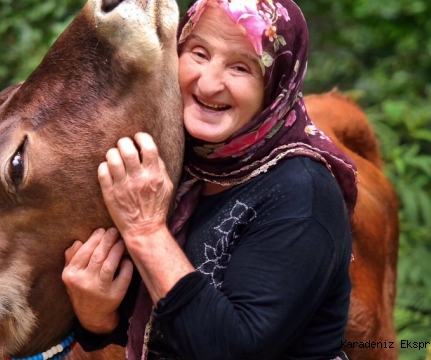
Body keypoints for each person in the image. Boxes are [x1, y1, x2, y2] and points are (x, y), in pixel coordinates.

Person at [61, 0, 358, 359]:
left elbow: (232, 347)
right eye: (199, 53)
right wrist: (97, 315)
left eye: (240, 68)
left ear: (277, 85)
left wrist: (146, 231)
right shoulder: (181, 161)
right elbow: (159, 321)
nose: (209, 82)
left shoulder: (302, 192)